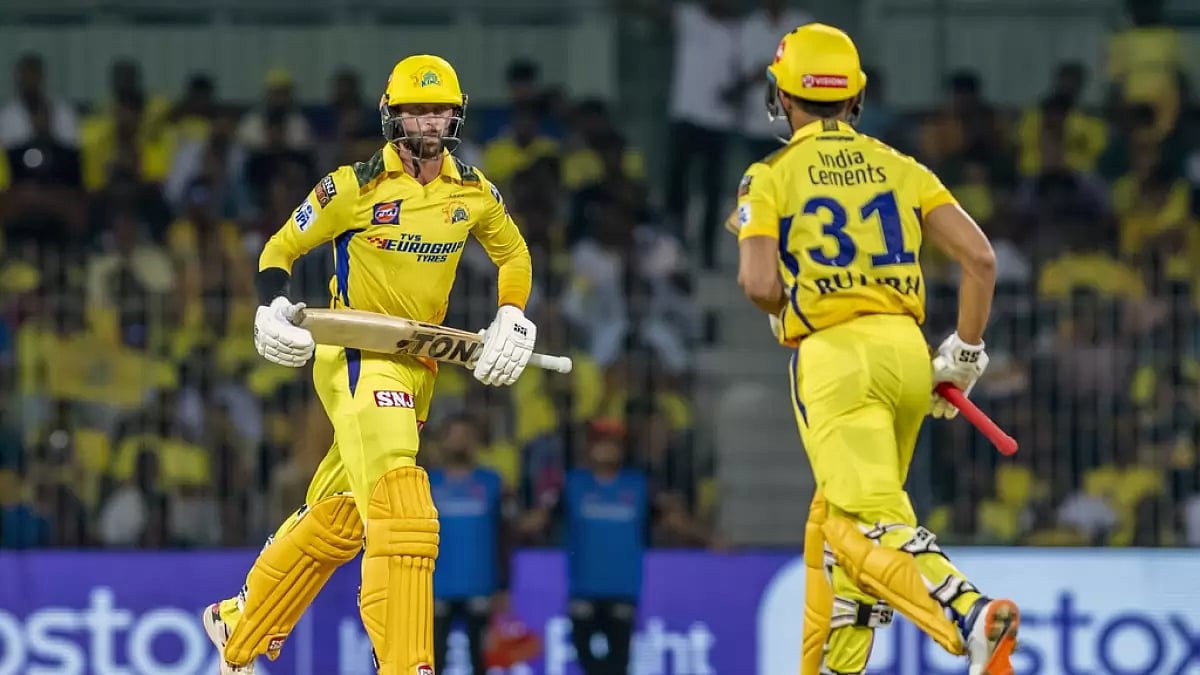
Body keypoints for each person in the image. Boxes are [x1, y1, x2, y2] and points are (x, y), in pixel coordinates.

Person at [201, 54, 538, 675]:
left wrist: (512, 313)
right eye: (416, 109)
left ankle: (239, 627)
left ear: (456, 117)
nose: (428, 123)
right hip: (356, 355)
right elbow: (281, 246)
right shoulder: (352, 188)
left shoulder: (473, 193)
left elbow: (513, 255)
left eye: (439, 111)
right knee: (406, 511)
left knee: (342, 519)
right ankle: (408, 665)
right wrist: (270, 306)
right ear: (392, 115)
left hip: (420, 366)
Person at [731, 24, 1017, 675]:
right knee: (833, 520)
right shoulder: (901, 166)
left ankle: (971, 614)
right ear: (856, 99)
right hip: (907, 353)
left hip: (834, 356)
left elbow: (756, 281)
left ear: (781, 98)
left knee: (863, 527)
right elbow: (980, 258)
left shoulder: (768, 176)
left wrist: (784, 312)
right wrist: (965, 354)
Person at [429, 414, 509, 675]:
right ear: (443, 441)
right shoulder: (426, 482)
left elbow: (504, 535)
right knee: (433, 659)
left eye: (465, 436)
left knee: (480, 661)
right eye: (454, 436)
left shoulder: (492, 482)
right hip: (437, 585)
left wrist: (503, 586)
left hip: (480, 585)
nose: (460, 442)